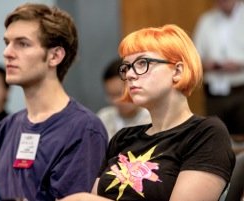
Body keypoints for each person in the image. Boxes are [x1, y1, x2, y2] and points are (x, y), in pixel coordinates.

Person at [59, 24, 235, 201]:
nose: (129, 75)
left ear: (177, 71)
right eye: (126, 67)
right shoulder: (123, 138)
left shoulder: (205, 133)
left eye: (143, 63)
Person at [0, 3, 108, 201]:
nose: (7, 53)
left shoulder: (84, 129)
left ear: (55, 56)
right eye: (7, 43)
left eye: (22, 43)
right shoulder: (4, 129)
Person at [193, 0, 244, 142]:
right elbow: (195, 56)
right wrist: (206, 64)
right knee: (216, 139)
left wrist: (240, 64)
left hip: (240, 90)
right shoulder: (206, 20)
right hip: (214, 93)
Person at [97, 58, 151, 140]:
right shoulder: (103, 118)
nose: (117, 101)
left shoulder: (152, 119)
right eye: (111, 95)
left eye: (120, 93)